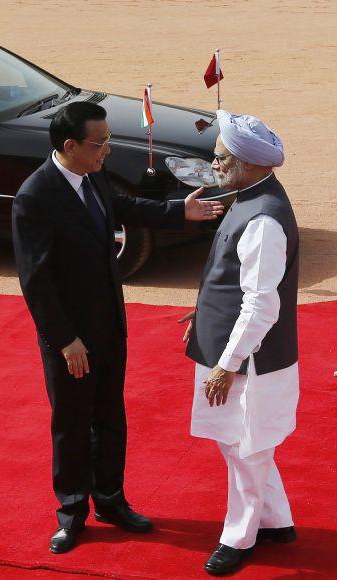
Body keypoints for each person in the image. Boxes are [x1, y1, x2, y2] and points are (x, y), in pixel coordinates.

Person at [12, 101, 223, 554]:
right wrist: (65, 340)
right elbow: (37, 281)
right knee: (72, 423)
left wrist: (176, 212)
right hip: (70, 339)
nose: (107, 149)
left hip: (109, 326)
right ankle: (72, 512)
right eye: (100, 142)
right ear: (70, 146)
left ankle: (111, 500)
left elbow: (124, 206)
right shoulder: (36, 196)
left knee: (110, 417)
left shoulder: (94, 175)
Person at [180, 110, 299, 575]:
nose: (213, 164)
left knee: (246, 448)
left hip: (250, 362)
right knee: (246, 445)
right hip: (237, 351)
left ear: (249, 164)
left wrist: (227, 364)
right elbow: (231, 283)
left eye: (221, 157)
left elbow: (261, 305)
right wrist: (203, 315)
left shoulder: (263, 218)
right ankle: (277, 520)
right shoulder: (250, 196)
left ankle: (239, 537)